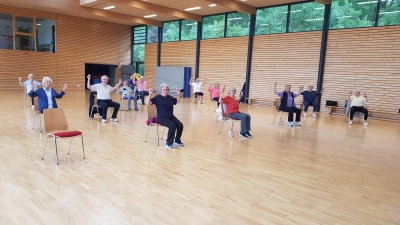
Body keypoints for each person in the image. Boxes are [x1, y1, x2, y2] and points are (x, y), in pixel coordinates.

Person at [146, 83, 184, 149]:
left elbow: (177, 101)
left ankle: (177, 141)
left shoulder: (169, 97)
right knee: (173, 126)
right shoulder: (157, 98)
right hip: (161, 118)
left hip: (171, 117)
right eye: (164, 90)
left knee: (180, 125)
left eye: (166, 90)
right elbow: (148, 103)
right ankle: (168, 142)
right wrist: (150, 94)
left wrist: (178, 94)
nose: (165, 91)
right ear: (161, 91)